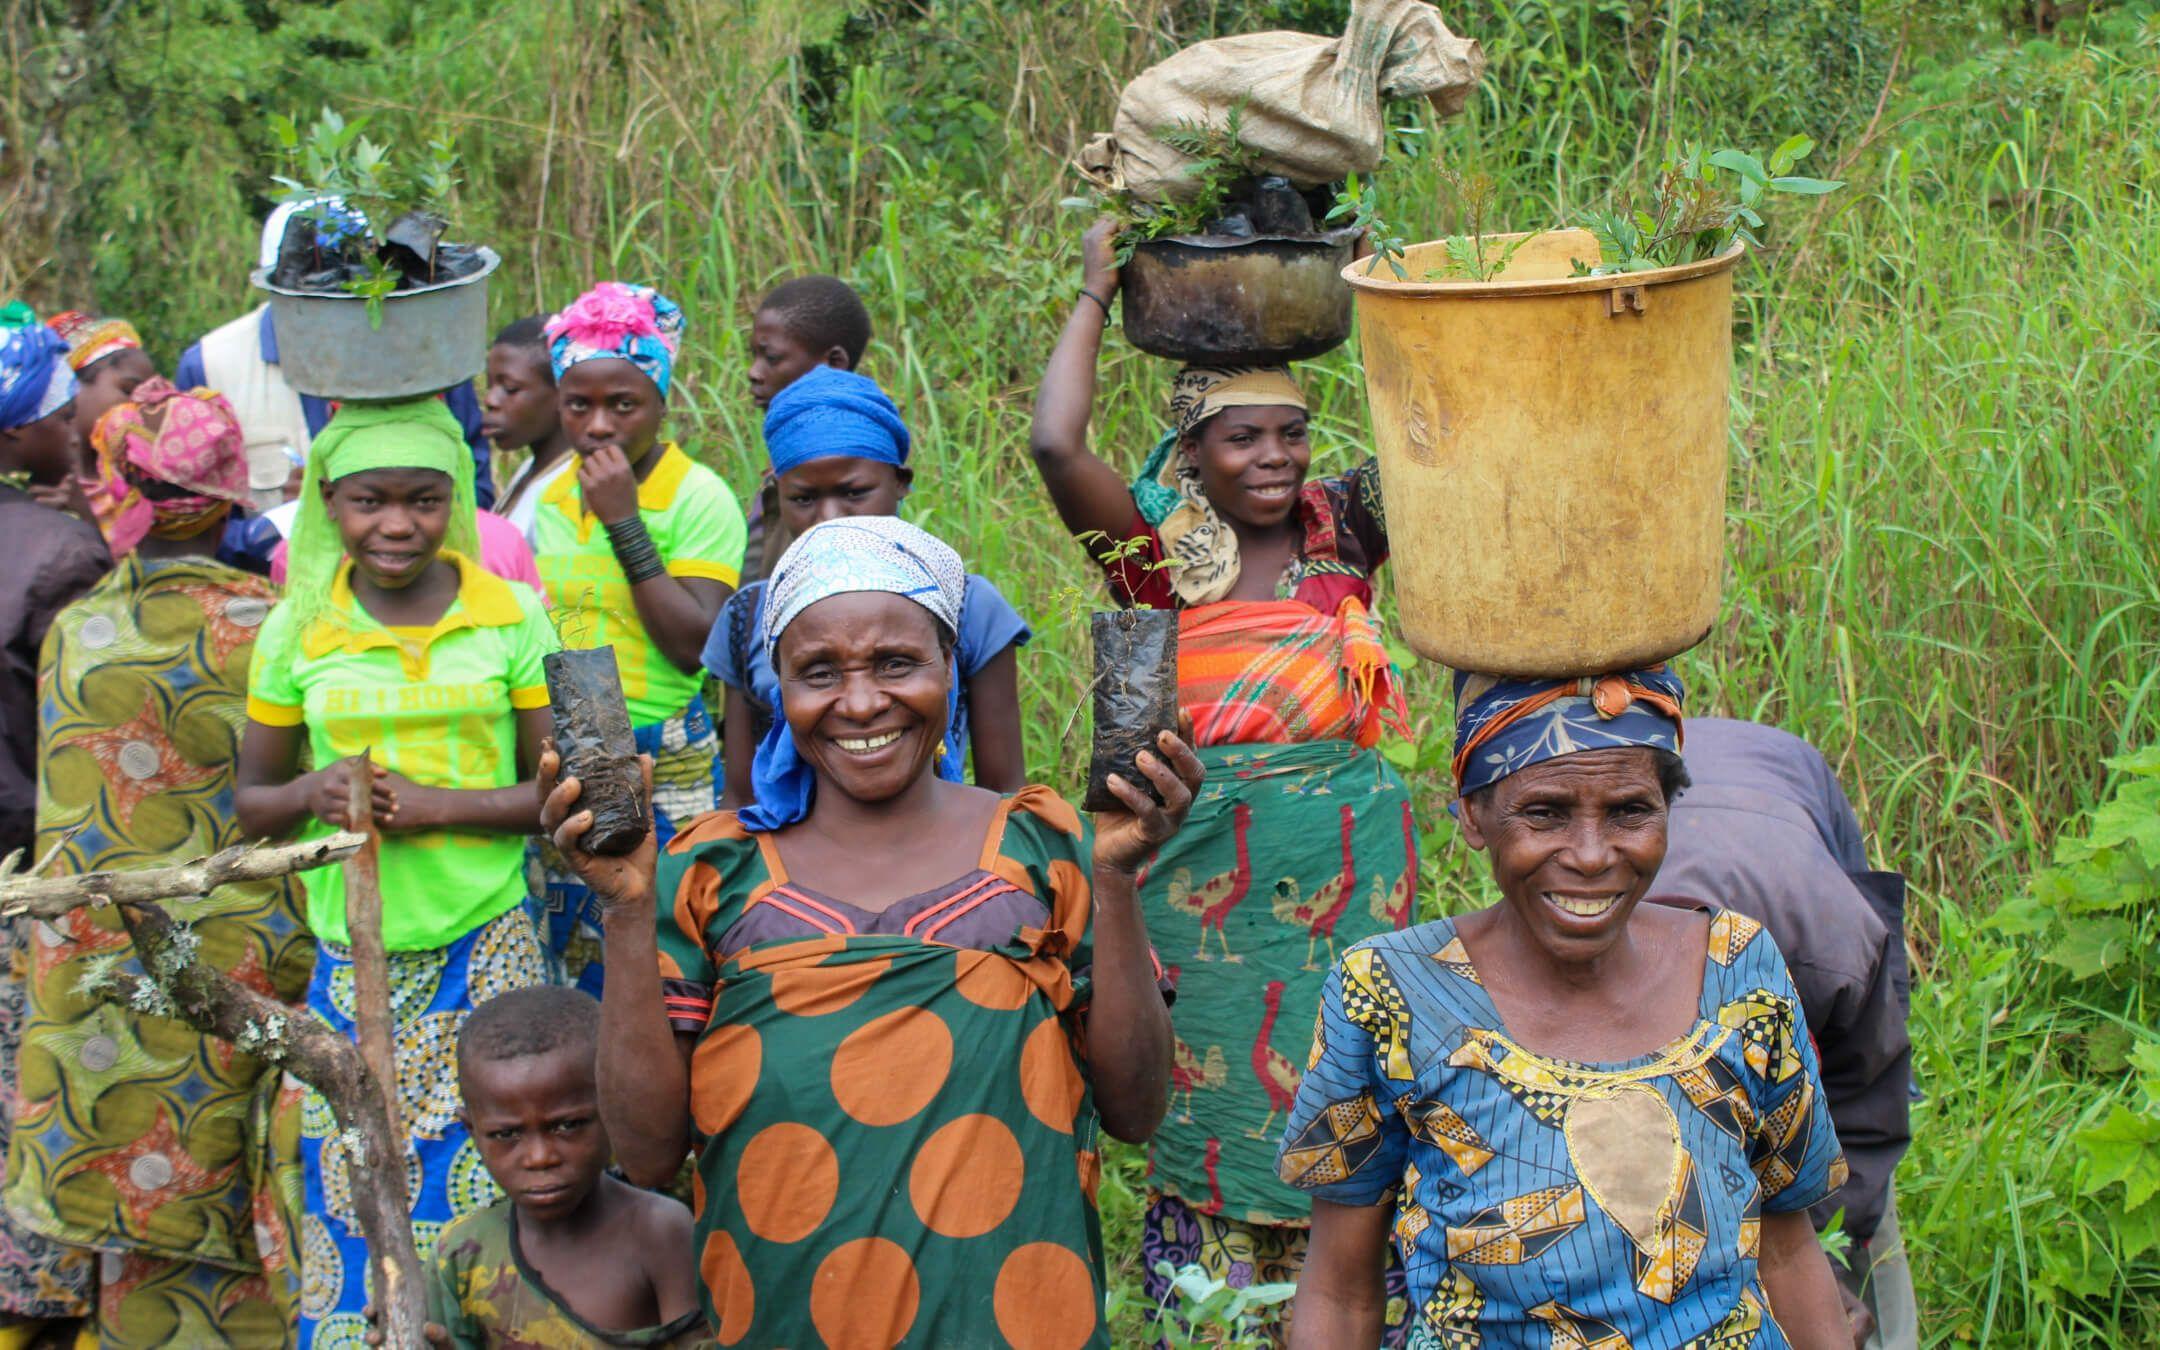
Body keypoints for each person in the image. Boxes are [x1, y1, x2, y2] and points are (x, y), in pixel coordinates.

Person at [542, 515, 1200, 1347]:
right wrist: (627, 911)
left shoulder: (1046, 846)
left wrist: (1116, 879)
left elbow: (1136, 1110)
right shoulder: (708, 873)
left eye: (897, 663)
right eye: (819, 671)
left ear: (951, 670)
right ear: (778, 688)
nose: (860, 702)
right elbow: (645, 1155)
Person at [1026, 220, 1418, 1339]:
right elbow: (1058, 446)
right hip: (1208, 906)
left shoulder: (1342, 530)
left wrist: (1388, 289)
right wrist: (1096, 292)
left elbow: (1446, 436)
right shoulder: (1157, 559)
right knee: (1212, 1106)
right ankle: (1221, 1314)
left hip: (1350, 888)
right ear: (1192, 452)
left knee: (1359, 1097)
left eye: (1292, 435)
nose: (1277, 460)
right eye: (1244, 440)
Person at [1281, 668, 1853, 1348]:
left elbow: (1786, 1247)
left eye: (1630, 811)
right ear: (1472, 813)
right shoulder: (1391, 995)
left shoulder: (1738, 970)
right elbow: (1340, 1293)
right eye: (1545, 812)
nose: (1590, 855)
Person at [233, 398, 556, 1348]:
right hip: (352, 956)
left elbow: (556, 793)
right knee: (357, 1182)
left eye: (422, 501)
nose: (397, 525)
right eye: (370, 502)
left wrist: (438, 806)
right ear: (329, 503)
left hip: (489, 944)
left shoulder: (510, 615)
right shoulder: (298, 632)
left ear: (454, 502)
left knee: (503, 1173)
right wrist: (316, 789)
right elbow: (252, 800)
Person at [4, 383, 312, 1346]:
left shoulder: (80, 635)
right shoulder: (275, 629)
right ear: (228, 495)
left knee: (138, 1240)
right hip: (247, 972)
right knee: (245, 1195)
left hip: (110, 981)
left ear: (120, 489)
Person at [1651, 717, 1916, 1349]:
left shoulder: (1838, 953)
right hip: (1701, 777)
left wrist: (1814, 1248)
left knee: (1856, 1249)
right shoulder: (1600, 927)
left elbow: (1865, 1110)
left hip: (1788, 790)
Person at [529, 281, 745, 994]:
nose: (598, 426)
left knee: (669, 953)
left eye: (623, 404)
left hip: (666, 752)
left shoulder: (697, 496)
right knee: (573, 959)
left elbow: (694, 645)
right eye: (577, 404)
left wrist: (625, 521)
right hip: (570, 752)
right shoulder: (554, 498)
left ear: (661, 403)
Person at [706, 364, 1030, 807]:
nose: (831, 518)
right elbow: (741, 795)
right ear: (776, 495)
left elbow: (1003, 789)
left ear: (900, 483)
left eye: (854, 493)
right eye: (803, 499)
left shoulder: (969, 607)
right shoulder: (750, 616)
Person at [0, 302, 109, 1341]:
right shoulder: (59, 556)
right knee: (32, 1086)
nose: (74, 418)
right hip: (25, 863)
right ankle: (41, 1299)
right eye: (55, 408)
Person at [427, 986, 704, 1348]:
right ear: (472, 1131)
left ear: (612, 1108)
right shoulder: (463, 1253)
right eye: (506, 1134)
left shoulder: (659, 1233)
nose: (540, 1157)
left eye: (567, 1125)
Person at [173, 204, 494, 510]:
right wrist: (269, 531)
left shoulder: (426, 354)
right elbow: (192, 515)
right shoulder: (210, 364)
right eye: (313, 291)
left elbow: (477, 493)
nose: (331, 306)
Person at [740, 273, 873, 580]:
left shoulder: (833, 469)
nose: (754, 372)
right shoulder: (787, 459)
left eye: (771, 358)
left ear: (834, 362)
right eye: (754, 356)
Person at [482, 316, 576, 543]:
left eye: (510, 388)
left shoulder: (569, 491)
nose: (490, 400)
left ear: (564, 394)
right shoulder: (531, 469)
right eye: (490, 384)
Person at [45, 310, 157, 481]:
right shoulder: (38, 472)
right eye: (128, 390)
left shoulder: (146, 478)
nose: (140, 406)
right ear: (72, 386)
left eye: (149, 398)